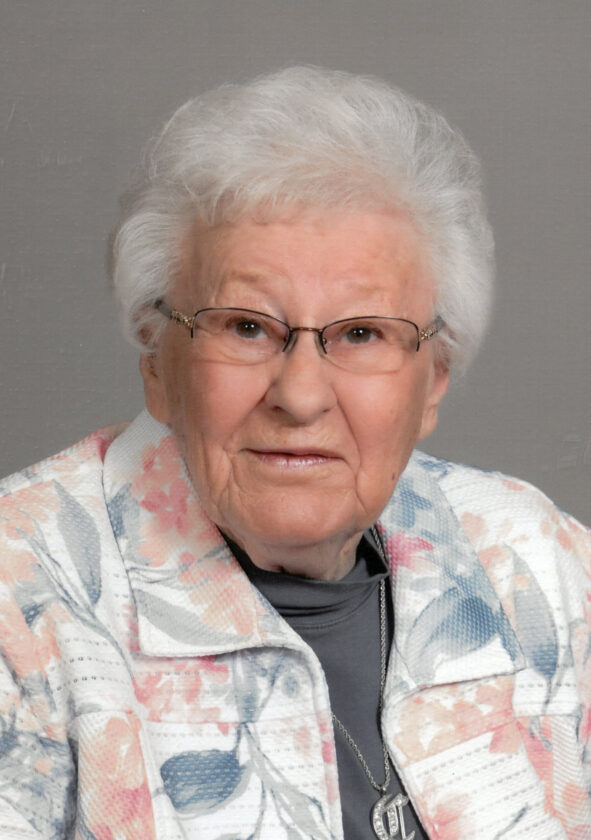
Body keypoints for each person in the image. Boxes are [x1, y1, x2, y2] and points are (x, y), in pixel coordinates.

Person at [0, 66, 589, 840]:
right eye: (246, 326)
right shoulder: (21, 599)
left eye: (362, 333)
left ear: (434, 380)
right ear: (157, 363)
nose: (301, 395)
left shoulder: (534, 563)